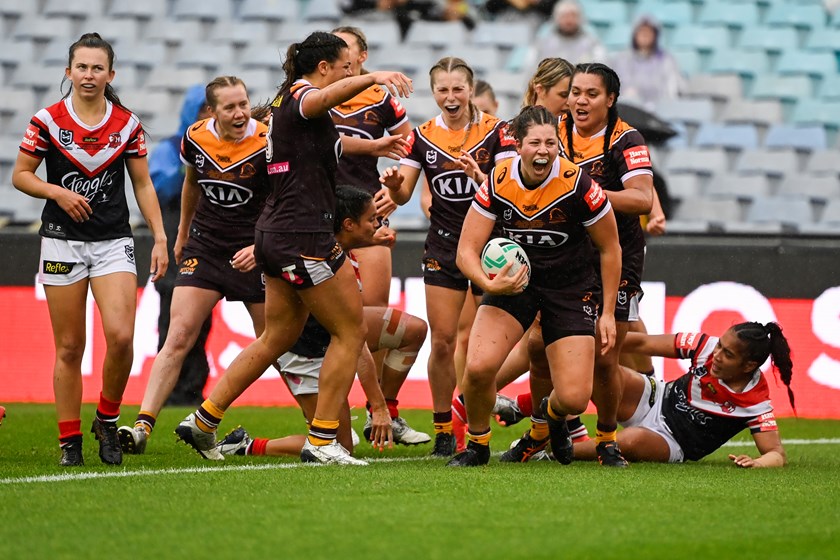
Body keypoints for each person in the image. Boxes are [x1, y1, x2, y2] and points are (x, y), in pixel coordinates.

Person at [175, 31, 413, 466]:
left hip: (273, 233)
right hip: (305, 236)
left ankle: (205, 419)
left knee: (278, 336)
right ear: (323, 68)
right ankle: (322, 440)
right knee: (350, 330)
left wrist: (377, 146)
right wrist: (374, 77)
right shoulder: (303, 95)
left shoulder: (288, 108)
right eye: (346, 67)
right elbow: (322, 101)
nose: (351, 73)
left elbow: (337, 144)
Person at [12, 33, 168, 467]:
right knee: (69, 347)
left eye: (97, 68)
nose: (89, 74)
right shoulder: (47, 120)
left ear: (110, 75)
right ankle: (69, 442)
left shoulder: (126, 125)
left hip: (113, 240)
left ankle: (106, 418)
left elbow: (142, 183)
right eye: (81, 67)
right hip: (61, 239)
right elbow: (21, 175)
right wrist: (57, 194)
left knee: (120, 337)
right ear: (68, 72)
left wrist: (158, 236)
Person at [447, 105, 621, 467]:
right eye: (534, 143)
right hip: (516, 285)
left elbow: (610, 248)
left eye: (550, 143)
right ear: (517, 144)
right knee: (477, 370)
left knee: (574, 399)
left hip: (570, 290)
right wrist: (489, 282)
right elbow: (466, 250)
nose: (543, 150)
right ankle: (477, 446)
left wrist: (606, 313)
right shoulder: (498, 180)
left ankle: (551, 415)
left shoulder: (579, 185)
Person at [215, 186, 430, 457]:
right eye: (372, 219)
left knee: (413, 330)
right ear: (349, 225)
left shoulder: (334, 250)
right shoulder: (327, 264)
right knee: (338, 447)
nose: (378, 225)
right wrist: (377, 405)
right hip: (304, 356)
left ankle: (388, 412)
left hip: (327, 340)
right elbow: (354, 339)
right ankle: (244, 445)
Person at [117, 76, 270, 456]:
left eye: (243, 104)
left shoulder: (269, 142)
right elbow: (192, 184)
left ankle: (319, 429)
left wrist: (261, 246)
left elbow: (282, 200)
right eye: (230, 107)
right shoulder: (196, 137)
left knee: (275, 341)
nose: (239, 113)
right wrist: (183, 232)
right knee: (179, 336)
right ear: (212, 111)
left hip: (253, 252)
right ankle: (141, 426)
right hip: (206, 248)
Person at [380, 56, 517, 457]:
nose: (451, 96)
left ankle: (473, 424)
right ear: (433, 92)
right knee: (441, 341)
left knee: (482, 345)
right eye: (443, 89)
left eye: (458, 88)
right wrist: (395, 185)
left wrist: (482, 178)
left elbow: (509, 188)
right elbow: (404, 192)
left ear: (471, 91)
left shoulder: (499, 132)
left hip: (490, 247)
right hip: (443, 245)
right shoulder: (420, 137)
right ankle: (442, 427)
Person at [548, 62, 654, 467]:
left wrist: (586, 193)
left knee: (607, 358)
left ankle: (607, 437)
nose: (580, 100)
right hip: (565, 258)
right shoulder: (551, 133)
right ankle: (546, 424)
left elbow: (642, 199)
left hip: (617, 259)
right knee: (542, 348)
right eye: (575, 92)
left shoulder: (626, 139)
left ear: (610, 100)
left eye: (591, 94)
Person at [572, 322, 794, 467]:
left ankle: (560, 449)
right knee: (599, 368)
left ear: (749, 366)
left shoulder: (755, 402)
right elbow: (643, 342)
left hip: (672, 441)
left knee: (629, 442)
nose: (716, 355)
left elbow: (776, 454)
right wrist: (585, 337)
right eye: (719, 346)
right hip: (654, 398)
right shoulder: (704, 346)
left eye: (728, 354)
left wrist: (757, 463)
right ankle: (570, 427)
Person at [147, 84, 213, 408]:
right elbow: (161, 189)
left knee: (202, 322)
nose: (209, 115)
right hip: (177, 238)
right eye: (203, 109)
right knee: (172, 320)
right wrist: (195, 163)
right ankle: (172, 391)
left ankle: (192, 388)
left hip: (207, 240)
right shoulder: (170, 148)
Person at [609, 15, 684, 111]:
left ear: (655, 35)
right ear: (635, 35)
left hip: (660, 113)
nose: (645, 35)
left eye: (649, 32)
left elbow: (672, 91)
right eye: (641, 31)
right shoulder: (623, 59)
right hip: (629, 112)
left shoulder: (666, 60)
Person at [536, 0, 606, 65]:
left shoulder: (592, 43)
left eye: (573, 15)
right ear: (556, 18)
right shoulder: (544, 44)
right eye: (564, 16)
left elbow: (603, 69)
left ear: (580, 18)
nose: (569, 20)